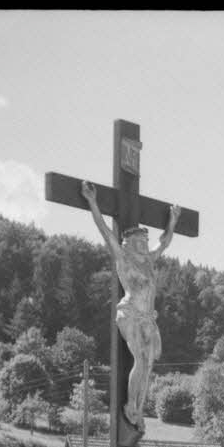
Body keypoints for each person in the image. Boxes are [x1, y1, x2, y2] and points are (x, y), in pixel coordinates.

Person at [81, 180, 179, 428]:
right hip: (130, 313)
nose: (146, 245)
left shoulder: (148, 261)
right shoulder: (124, 257)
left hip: (147, 318)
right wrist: (92, 201)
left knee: (148, 364)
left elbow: (165, 242)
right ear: (131, 243)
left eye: (146, 242)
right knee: (139, 358)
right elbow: (104, 229)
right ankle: (130, 405)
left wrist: (173, 220)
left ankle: (138, 407)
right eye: (142, 242)